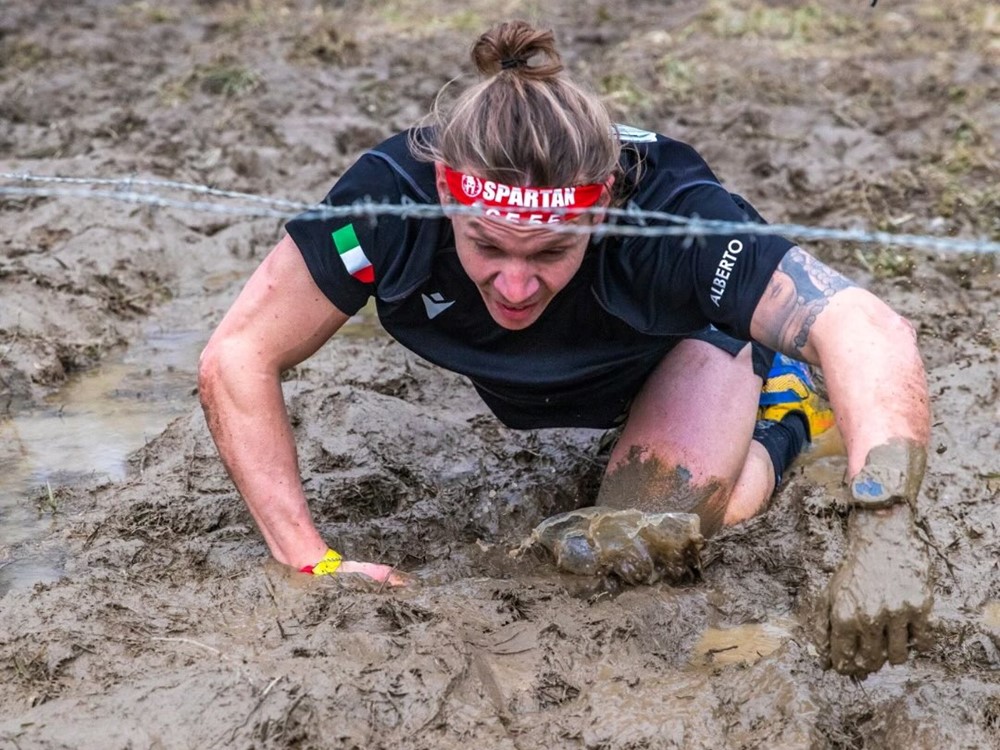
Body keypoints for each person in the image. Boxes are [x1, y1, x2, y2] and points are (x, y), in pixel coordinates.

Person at [198, 20, 933, 677]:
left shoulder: (672, 219)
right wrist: (309, 559)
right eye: (486, 245)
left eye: (551, 250)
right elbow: (238, 355)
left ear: (606, 205)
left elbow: (866, 328)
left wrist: (887, 526)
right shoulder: (390, 203)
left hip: (680, 351)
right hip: (541, 376)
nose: (515, 285)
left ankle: (785, 413)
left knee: (644, 538)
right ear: (447, 200)